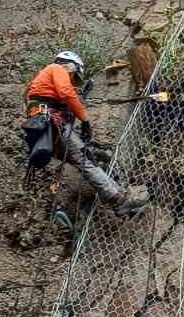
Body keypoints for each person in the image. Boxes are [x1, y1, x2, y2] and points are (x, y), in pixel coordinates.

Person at [24, 50, 147, 218]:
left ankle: (119, 196)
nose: (73, 81)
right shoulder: (56, 68)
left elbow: (59, 98)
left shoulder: (39, 85)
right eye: (74, 76)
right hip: (52, 125)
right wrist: (85, 120)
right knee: (85, 159)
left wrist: (77, 101)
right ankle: (118, 200)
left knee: (86, 159)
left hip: (46, 131)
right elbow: (66, 92)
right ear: (71, 65)